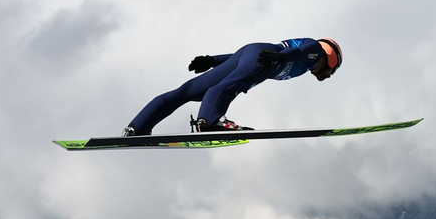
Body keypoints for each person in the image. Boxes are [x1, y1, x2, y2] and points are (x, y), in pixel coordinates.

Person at [123, 38, 342, 135]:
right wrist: (279, 58)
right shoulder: (316, 53)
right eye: (334, 70)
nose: (329, 76)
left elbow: (240, 60)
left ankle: (137, 127)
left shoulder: (309, 59)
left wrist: (212, 61)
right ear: (332, 60)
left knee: (186, 92)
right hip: (265, 58)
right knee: (228, 87)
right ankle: (209, 122)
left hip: (250, 52)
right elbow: (304, 50)